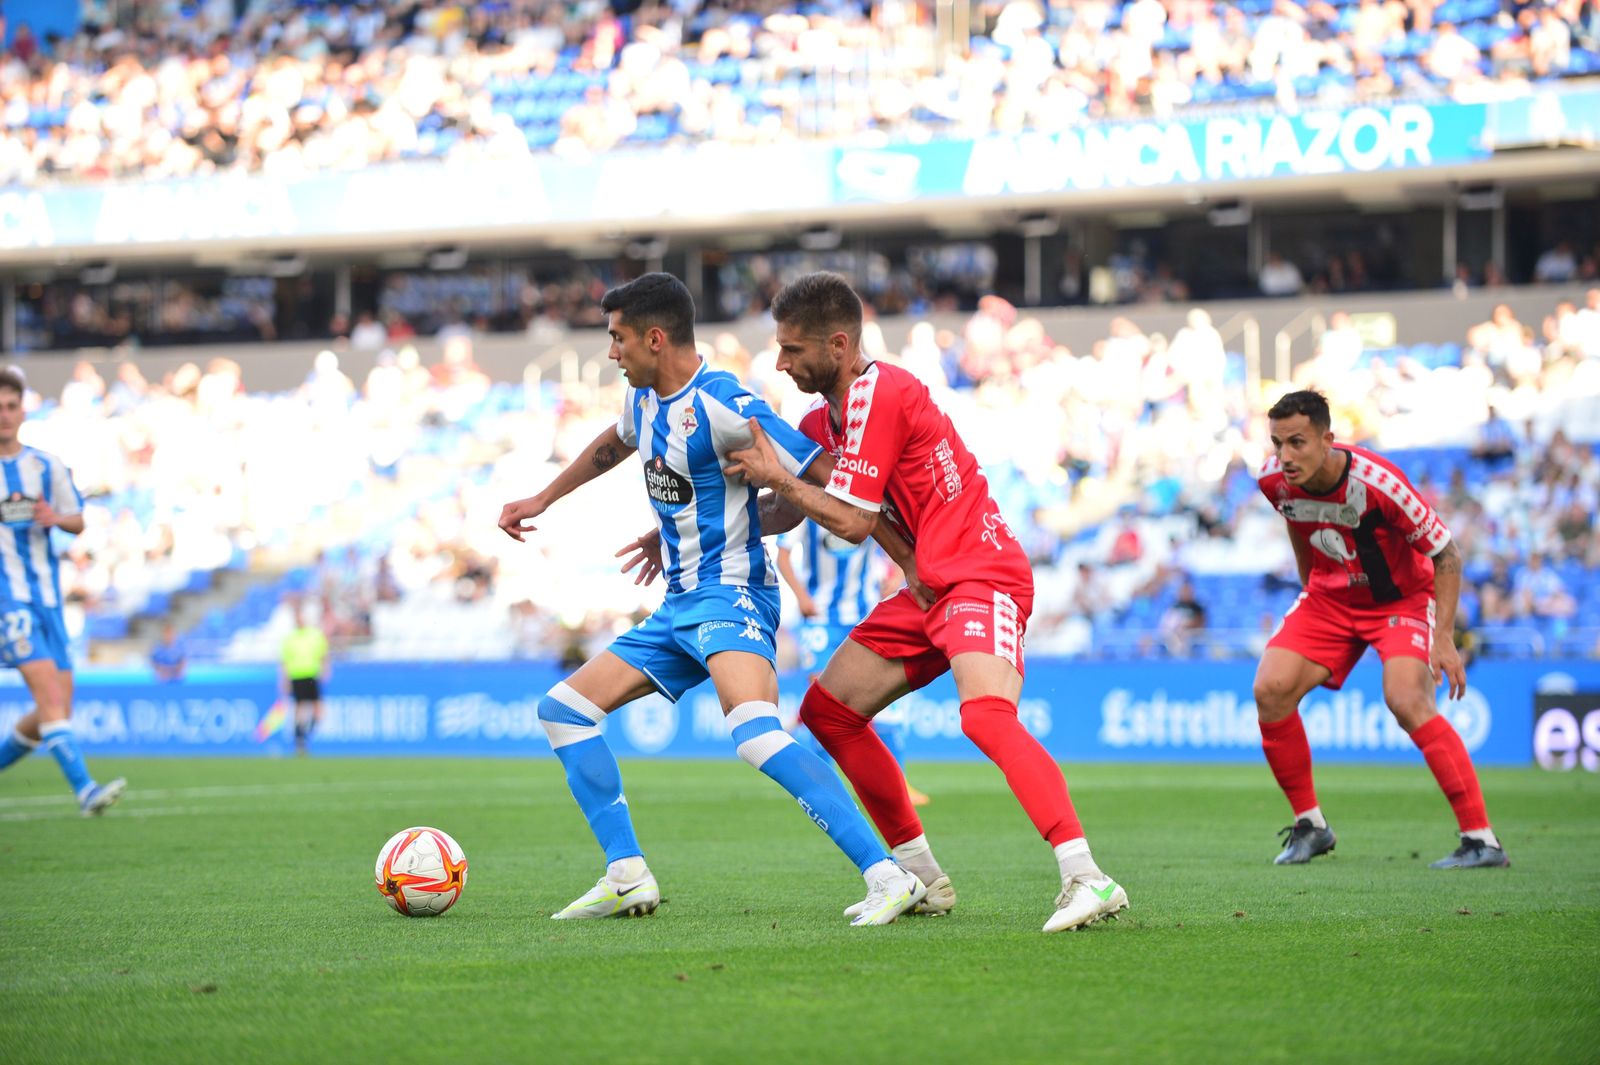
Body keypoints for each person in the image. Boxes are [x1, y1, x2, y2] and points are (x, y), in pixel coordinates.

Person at [497, 273, 925, 926]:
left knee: (755, 734)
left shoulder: (726, 403)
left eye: (618, 338)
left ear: (655, 338)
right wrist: (542, 499)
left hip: (733, 595)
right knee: (564, 710)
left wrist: (902, 549)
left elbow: (825, 476)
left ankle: (888, 874)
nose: (611, 352)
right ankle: (626, 874)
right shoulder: (643, 401)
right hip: (679, 604)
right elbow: (613, 444)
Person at [723, 271, 1128, 933]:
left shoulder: (886, 390)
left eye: (793, 349)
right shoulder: (819, 421)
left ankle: (1088, 877)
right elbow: (793, 511)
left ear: (838, 344)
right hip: (926, 586)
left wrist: (779, 478)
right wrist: (716, 519)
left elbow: (852, 521)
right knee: (829, 712)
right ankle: (922, 877)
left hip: (980, 571)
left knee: (986, 717)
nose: (781, 363)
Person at [1254, 389, 1508, 869]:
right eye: (1277, 443)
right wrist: (1310, 582)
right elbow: (1295, 518)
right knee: (1270, 689)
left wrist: (1444, 636)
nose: (1285, 456)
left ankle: (1482, 840)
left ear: (1327, 439)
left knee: (1406, 699)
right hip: (1331, 598)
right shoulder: (1273, 481)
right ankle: (1311, 825)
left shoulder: (1379, 483)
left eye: (1297, 442)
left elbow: (1446, 554)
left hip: (1400, 600)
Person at [0, 369, 125, 815]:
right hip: (7, 600)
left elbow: (77, 520)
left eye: (11, 406)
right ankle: (86, 790)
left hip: (48, 599)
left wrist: (54, 518)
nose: (4, 415)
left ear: (23, 410)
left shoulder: (45, 466)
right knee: (51, 699)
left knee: (56, 708)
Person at [775, 520, 929, 806]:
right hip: (820, 617)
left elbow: (899, 543)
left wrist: (897, 576)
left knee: (884, 695)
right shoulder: (805, 508)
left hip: (865, 614)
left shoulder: (864, 507)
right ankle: (819, 781)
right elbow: (782, 555)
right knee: (823, 697)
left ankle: (898, 784)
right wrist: (801, 596)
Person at [281, 601, 330, 756]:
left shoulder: (315, 635)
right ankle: (299, 738)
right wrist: (284, 680)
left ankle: (306, 733)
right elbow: (284, 662)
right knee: (300, 708)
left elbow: (323, 656)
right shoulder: (290, 638)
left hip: (312, 675)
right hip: (297, 676)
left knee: (318, 709)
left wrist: (325, 670)